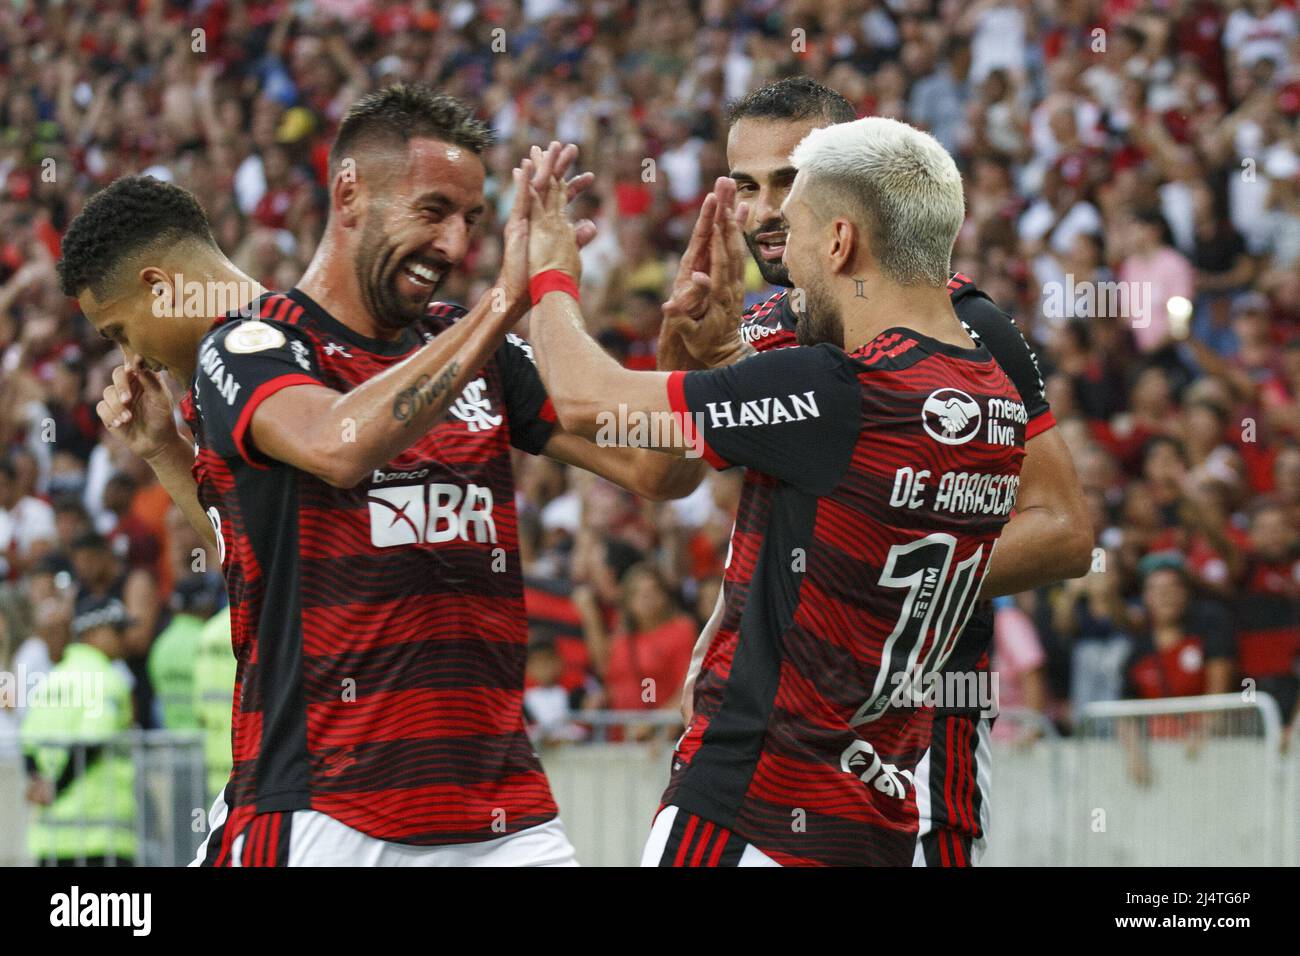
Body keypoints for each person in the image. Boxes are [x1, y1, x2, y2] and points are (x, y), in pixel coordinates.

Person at [57, 85, 708, 866]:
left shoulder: (477, 352)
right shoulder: (252, 349)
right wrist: (504, 301)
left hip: (505, 821)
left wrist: (692, 360)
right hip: (331, 815)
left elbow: (659, 472)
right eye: (434, 212)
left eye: (471, 219)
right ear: (349, 193)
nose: (457, 243)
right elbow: (339, 447)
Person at [518, 118, 1025, 865]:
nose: (779, 253)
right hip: (876, 813)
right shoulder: (996, 400)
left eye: (797, 228)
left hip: (751, 805)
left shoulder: (839, 388)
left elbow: (588, 397)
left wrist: (550, 269)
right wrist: (723, 355)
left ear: (840, 242)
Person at [665, 77, 1091, 866]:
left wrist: (883, 579)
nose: (764, 211)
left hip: (917, 739)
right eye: (746, 186)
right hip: (772, 739)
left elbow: (1065, 533)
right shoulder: (760, 327)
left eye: (789, 181)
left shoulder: (968, 324)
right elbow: (660, 468)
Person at [20, 596, 136, 866]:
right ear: (92, 633)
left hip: (51, 837)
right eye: (117, 630)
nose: (125, 637)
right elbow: (92, 741)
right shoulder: (108, 680)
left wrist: (40, 784)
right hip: (100, 837)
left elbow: (27, 742)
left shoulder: (52, 679)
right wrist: (55, 788)